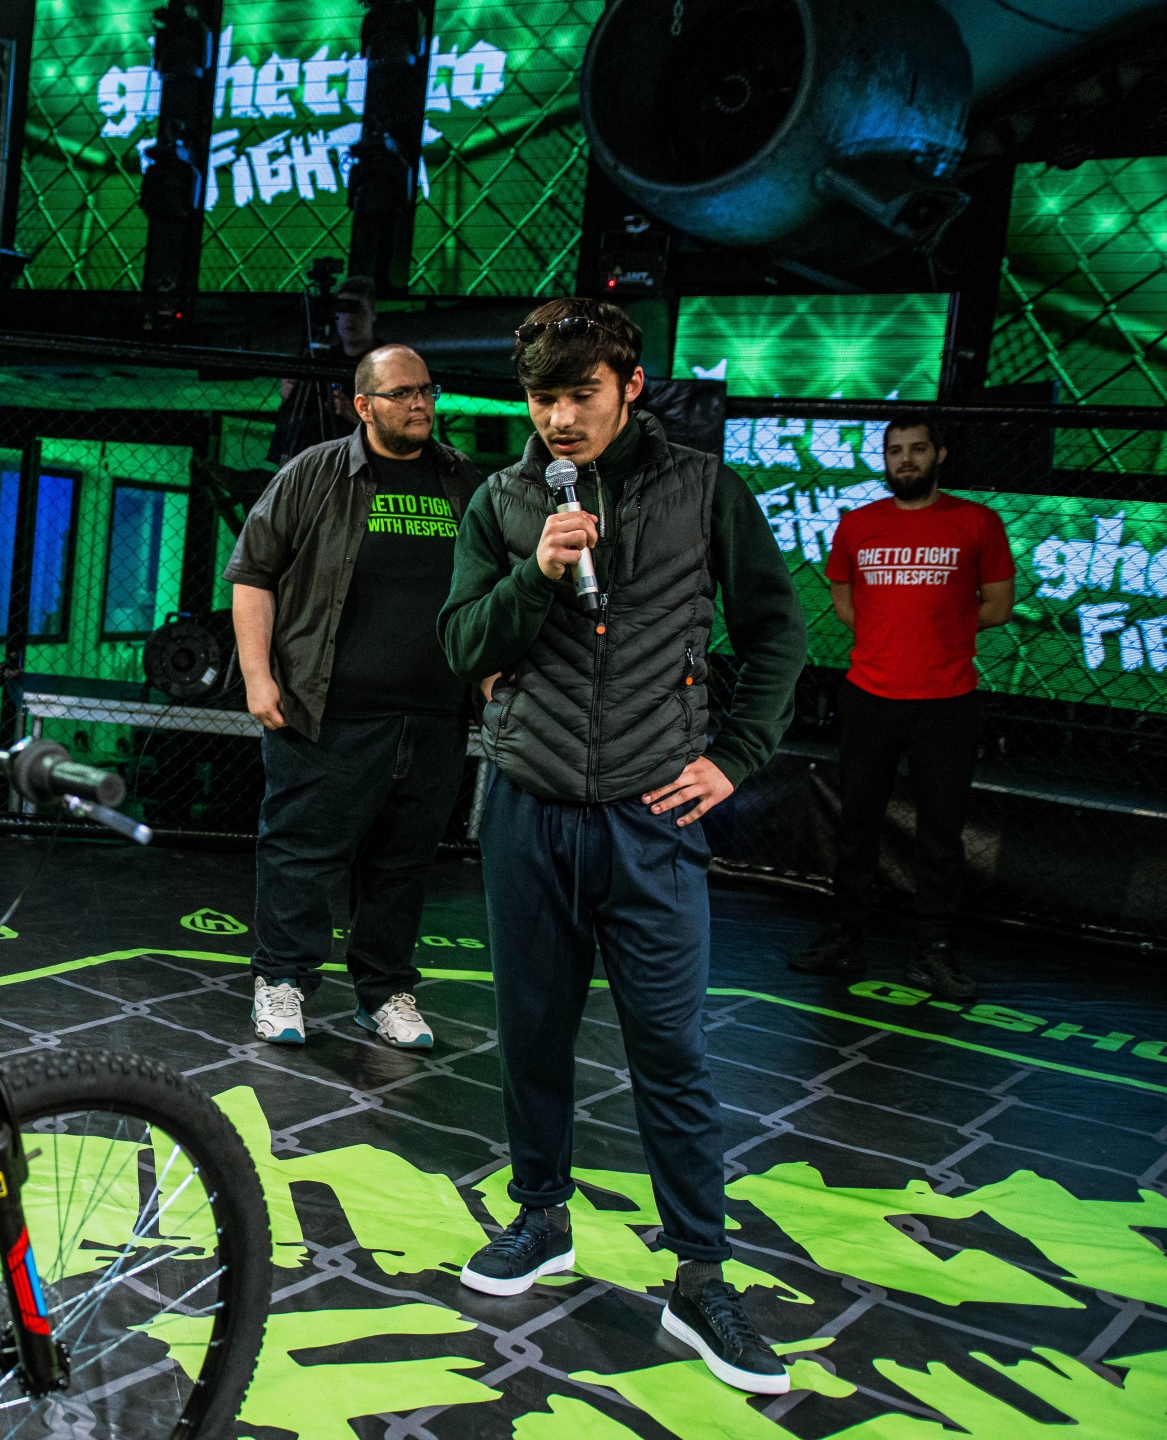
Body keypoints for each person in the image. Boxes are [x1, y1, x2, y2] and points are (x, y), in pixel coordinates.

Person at [438, 298, 807, 1393]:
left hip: (654, 816)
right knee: (532, 1032)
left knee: (672, 1050)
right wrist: (536, 573)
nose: (559, 417)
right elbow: (461, 642)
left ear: (630, 387)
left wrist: (737, 755)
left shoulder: (704, 491)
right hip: (527, 806)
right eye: (542, 398)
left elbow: (777, 630)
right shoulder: (504, 502)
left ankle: (700, 1277)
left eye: (580, 395)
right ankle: (540, 1217)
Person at [227, 343, 481, 1051]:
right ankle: (281, 979)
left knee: (403, 863)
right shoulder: (314, 473)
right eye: (402, 393)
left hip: (433, 714)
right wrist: (257, 676)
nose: (420, 403)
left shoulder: (462, 479)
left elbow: (491, 589)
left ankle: (384, 992)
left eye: (426, 390)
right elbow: (252, 574)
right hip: (328, 710)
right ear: (364, 405)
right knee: (303, 854)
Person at [790, 421, 1014, 997]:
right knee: (856, 825)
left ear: (941, 453)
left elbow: (998, 605)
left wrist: (936, 630)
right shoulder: (857, 524)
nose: (906, 459)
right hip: (870, 696)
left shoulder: (977, 522)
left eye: (918, 449)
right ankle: (845, 937)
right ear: (885, 459)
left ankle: (932, 949)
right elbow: (845, 601)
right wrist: (894, 635)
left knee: (941, 831)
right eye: (895, 451)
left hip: (948, 702)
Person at [268, 274, 376, 465]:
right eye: (342, 308)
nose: (349, 317)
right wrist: (289, 396)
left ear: (373, 314)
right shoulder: (325, 359)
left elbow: (395, 433)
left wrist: (355, 416)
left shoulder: (385, 362)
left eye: (356, 308)